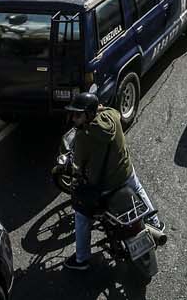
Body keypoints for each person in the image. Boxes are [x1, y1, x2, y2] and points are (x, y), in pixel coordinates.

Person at [62, 90, 164, 271]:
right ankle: (155, 222)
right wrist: (100, 108)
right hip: (125, 174)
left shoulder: (83, 136)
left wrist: (76, 172)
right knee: (138, 188)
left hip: (104, 187)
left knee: (81, 217)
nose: (73, 119)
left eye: (77, 115)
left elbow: (77, 163)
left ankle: (81, 259)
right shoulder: (112, 117)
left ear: (89, 114)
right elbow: (112, 111)